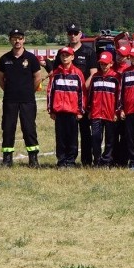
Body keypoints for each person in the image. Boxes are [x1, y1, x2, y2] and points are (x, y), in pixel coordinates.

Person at [47, 24, 97, 166]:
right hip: (65, 102)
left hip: (83, 98)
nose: (73, 35)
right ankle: (66, 160)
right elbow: (56, 73)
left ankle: (87, 161)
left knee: (85, 132)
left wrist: (81, 90)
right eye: (70, 33)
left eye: (75, 33)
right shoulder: (61, 52)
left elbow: (93, 74)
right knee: (66, 133)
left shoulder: (89, 51)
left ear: (81, 34)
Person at [0, 28, 42, 168]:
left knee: (29, 129)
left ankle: (33, 159)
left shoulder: (31, 58)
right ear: (10, 40)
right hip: (10, 100)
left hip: (27, 100)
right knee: (8, 128)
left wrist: (28, 91)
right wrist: (11, 91)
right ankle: (7, 159)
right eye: (14, 38)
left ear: (24, 40)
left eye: (20, 38)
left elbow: (37, 78)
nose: (17, 41)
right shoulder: (4, 59)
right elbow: (1, 80)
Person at [46, 46, 85, 168]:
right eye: (62, 55)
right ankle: (61, 160)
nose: (64, 58)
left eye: (67, 55)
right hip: (59, 112)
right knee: (61, 138)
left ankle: (71, 160)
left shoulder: (78, 73)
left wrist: (80, 110)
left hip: (73, 112)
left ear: (72, 57)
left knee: (72, 137)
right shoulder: (56, 73)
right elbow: (49, 92)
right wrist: (51, 110)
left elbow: (82, 93)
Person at [85, 50, 120, 166]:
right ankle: (97, 160)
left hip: (110, 114)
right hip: (96, 113)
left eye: (106, 64)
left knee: (110, 139)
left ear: (111, 63)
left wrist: (116, 112)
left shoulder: (116, 77)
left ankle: (107, 160)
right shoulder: (95, 77)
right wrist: (89, 109)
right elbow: (90, 94)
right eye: (101, 64)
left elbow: (119, 96)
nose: (103, 66)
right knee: (95, 137)